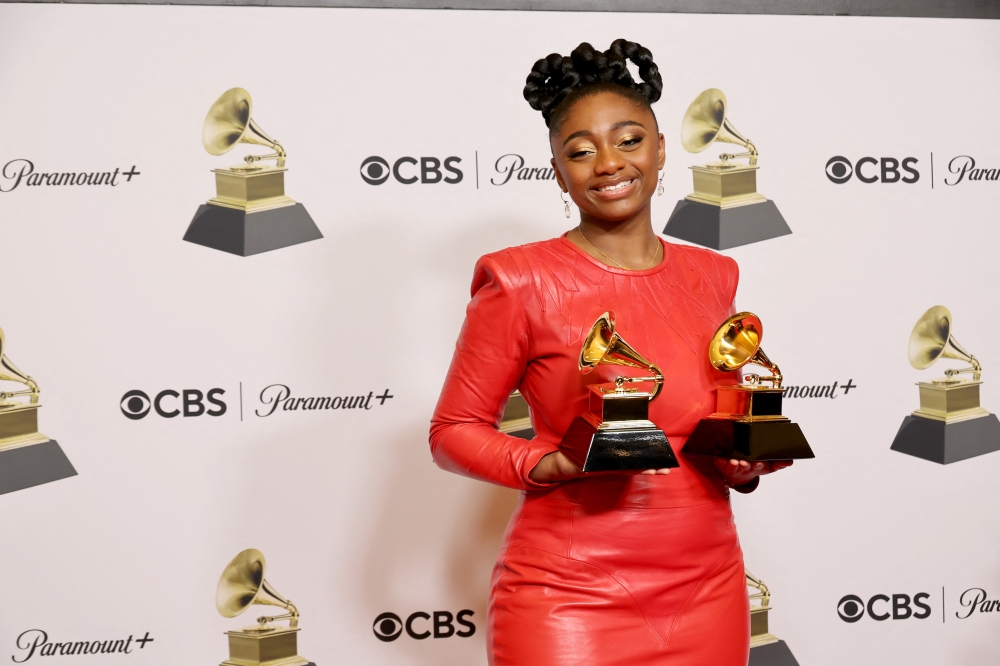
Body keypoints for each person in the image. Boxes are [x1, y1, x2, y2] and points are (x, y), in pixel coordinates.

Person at [429, 39, 792, 666]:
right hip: (568, 595)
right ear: (557, 171)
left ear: (659, 151)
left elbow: (710, 419)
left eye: (628, 140)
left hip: (708, 586)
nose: (607, 163)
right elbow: (452, 431)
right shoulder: (518, 280)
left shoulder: (714, 276)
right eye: (579, 150)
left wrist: (746, 457)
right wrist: (548, 465)